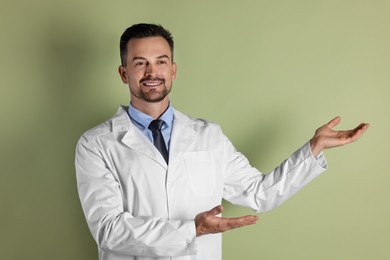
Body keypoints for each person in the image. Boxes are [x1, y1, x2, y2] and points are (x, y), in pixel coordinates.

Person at [75, 23, 369, 260]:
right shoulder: (96, 144)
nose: (152, 72)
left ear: (173, 70)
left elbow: (259, 193)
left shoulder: (208, 136)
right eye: (140, 63)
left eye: (161, 62)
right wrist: (192, 230)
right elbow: (109, 230)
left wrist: (313, 149)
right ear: (124, 73)